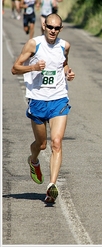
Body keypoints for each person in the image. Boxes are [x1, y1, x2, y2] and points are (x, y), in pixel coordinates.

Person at [11, 13, 75, 204]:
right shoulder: (34, 44)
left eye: (56, 28)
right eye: (50, 27)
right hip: (38, 100)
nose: (53, 31)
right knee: (41, 144)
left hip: (58, 99)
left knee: (56, 142)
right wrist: (33, 68)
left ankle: (51, 187)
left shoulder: (65, 46)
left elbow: (63, 64)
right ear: (44, 26)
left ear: (60, 29)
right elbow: (15, 68)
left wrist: (68, 72)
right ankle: (33, 160)